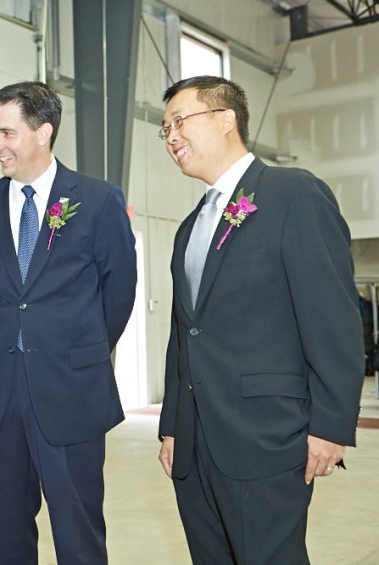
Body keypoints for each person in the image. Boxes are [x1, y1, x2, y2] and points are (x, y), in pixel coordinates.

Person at [156, 76, 363, 564]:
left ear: (225, 119)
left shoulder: (293, 194)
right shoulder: (190, 227)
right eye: (164, 130)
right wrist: (172, 427)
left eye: (179, 122)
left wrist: (332, 425)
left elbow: (332, 318)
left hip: (266, 436)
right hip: (195, 443)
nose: (171, 137)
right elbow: (183, 335)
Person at [0, 81, 137, 564]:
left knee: (78, 533)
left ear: (43, 132)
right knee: (6, 534)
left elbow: (118, 292)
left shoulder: (98, 200)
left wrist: (77, 350)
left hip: (71, 389)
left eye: (7, 133)